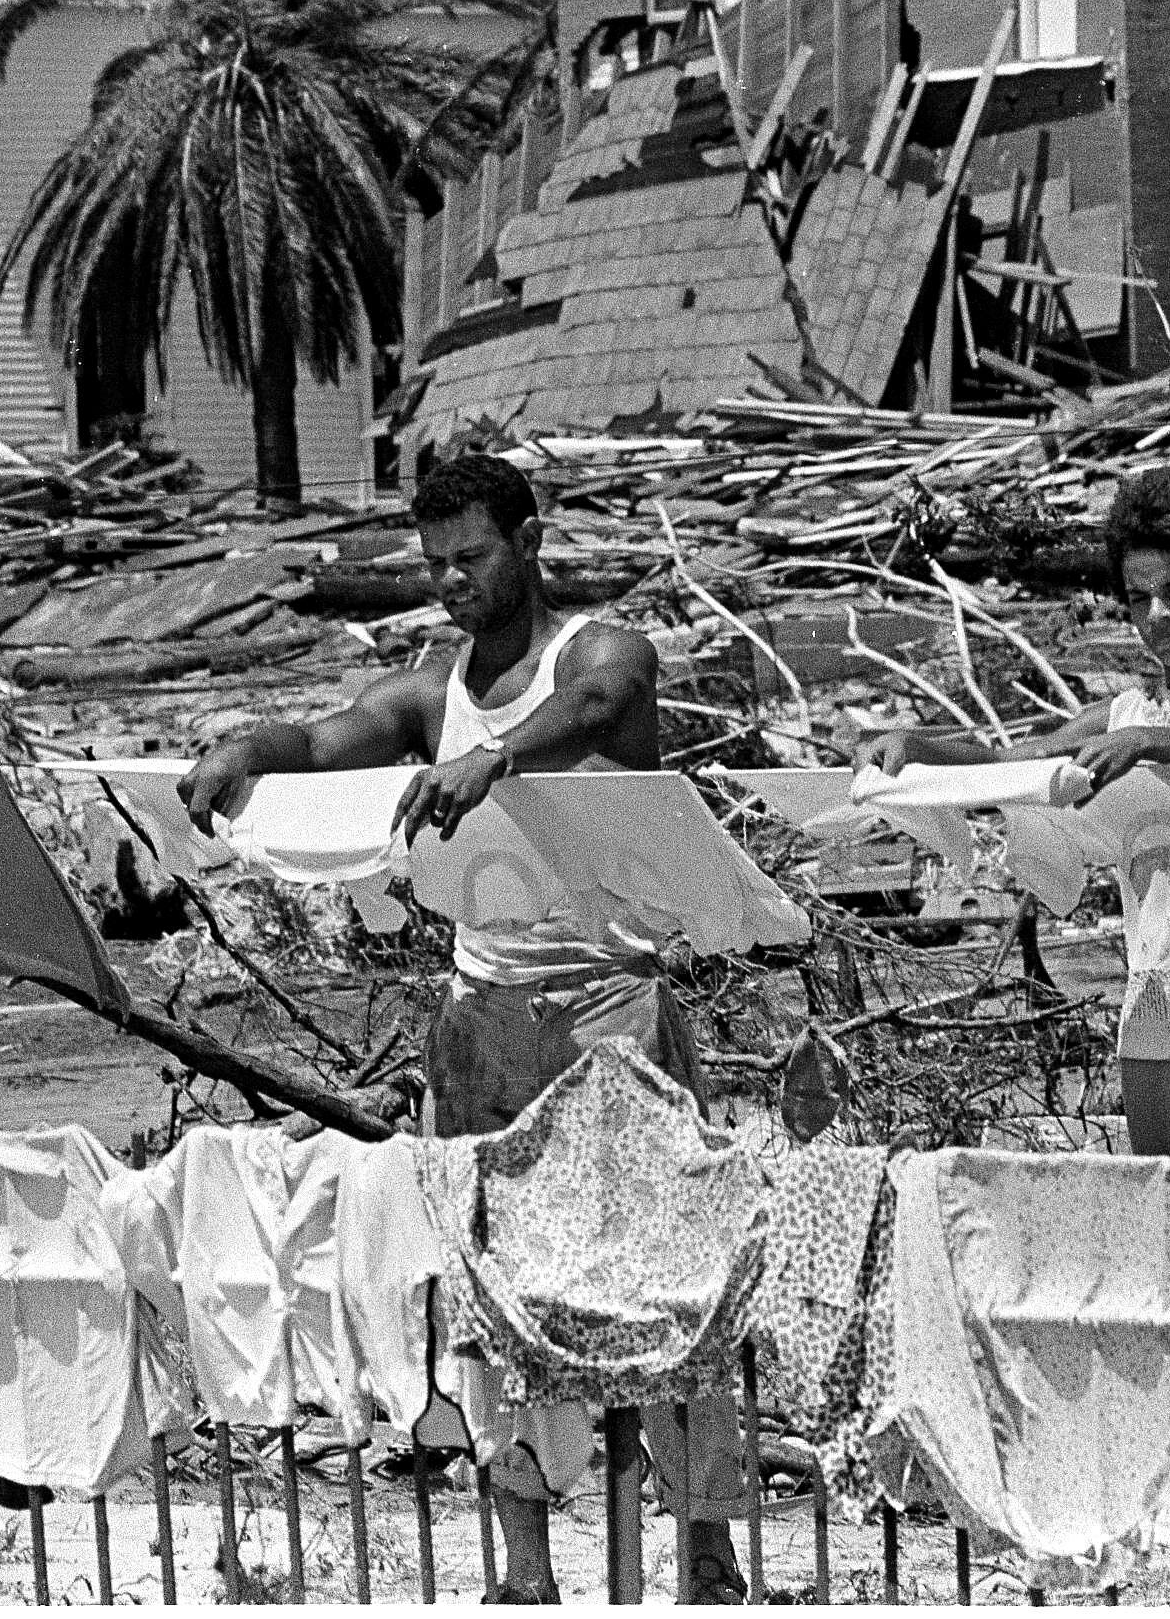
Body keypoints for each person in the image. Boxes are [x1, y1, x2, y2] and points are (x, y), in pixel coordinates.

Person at [180, 451, 753, 1603]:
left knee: (668, 1282)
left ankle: (702, 1547)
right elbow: (331, 736)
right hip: (483, 1023)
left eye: (473, 558)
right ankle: (527, 1564)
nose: (453, 582)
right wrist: (246, 745)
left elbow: (601, 701)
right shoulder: (431, 690)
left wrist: (497, 754)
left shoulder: (593, 650)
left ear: (529, 541)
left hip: (610, 1015)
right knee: (493, 1295)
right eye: (435, 563)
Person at [858, 463, 1170, 1605]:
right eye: (1135, 596)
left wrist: (1158, 754)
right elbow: (1020, 757)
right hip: (1151, 1023)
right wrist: (914, 740)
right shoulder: (1117, 717)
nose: (1157, 616)